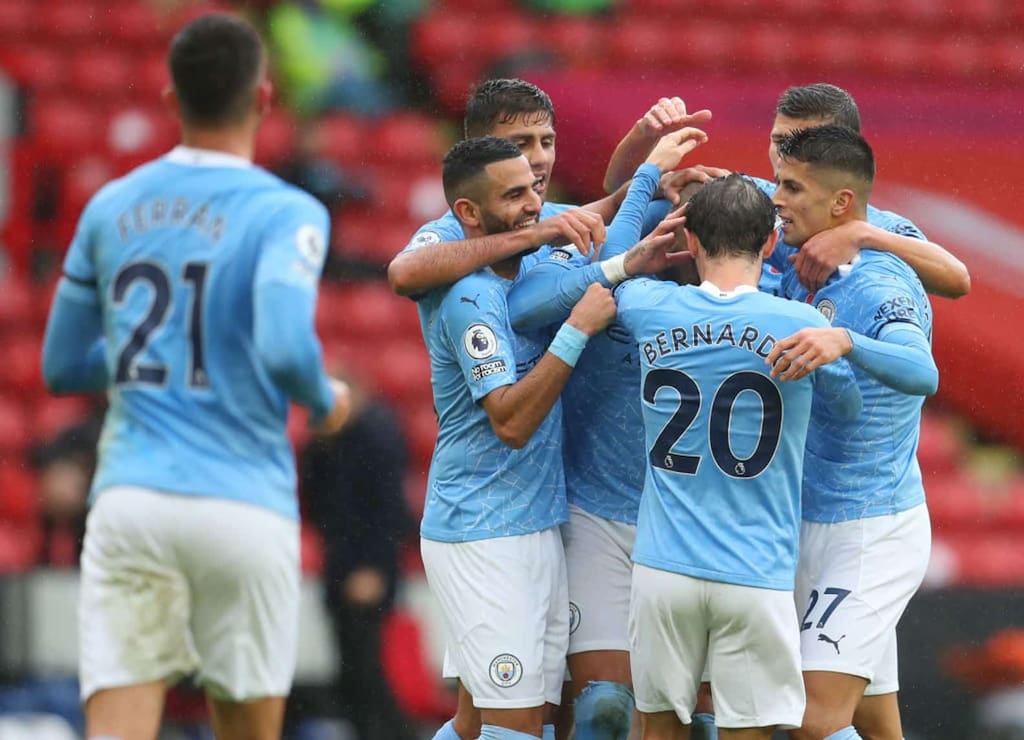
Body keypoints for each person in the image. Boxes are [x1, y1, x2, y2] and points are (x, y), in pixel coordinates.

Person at [39, 13, 350, 740]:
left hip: (132, 498)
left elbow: (60, 366)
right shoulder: (287, 211)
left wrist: (145, 369)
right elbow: (282, 344)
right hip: (242, 502)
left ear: (171, 99)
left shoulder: (110, 205)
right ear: (264, 98)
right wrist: (322, 397)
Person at [613, 173, 862, 740]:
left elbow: (612, 271)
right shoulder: (802, 326)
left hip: (662, 567)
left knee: (655, 729)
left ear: (692, 241)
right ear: (771, 245)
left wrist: (645, 195)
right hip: (755, 571)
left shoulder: (646, 305)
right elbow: (846, 410)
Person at [504, 127, 711, 740]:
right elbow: (534, 299)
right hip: (597, 514)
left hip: (692, 525)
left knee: (695, 723)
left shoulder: (751, 298)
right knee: (602, 712)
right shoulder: (617, 271)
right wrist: (645, 171)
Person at [420, 135, 617, 740]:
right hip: (482, 530)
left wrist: (648, 175)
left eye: (535, 188)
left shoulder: (529, 270)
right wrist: (576, 331)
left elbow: (612, 231)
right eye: (515, 195)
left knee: (510, 717)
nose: (535, 204)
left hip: (534, 523)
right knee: (515, 724)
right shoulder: (471, 295)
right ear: (469, 215)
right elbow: (509, 422)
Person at [764, 125, 938, 740]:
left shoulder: (879, 282)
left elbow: (923, 371)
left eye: (790, 186)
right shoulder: (800, 251)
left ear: (841, 202)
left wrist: (845, 339)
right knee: (871, 721)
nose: (775, 198)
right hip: (809, 517)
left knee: (813, 721)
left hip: (868, 533)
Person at [602, 86, 971, 301]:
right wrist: (644, 135)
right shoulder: (748, 197)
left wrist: (859, 235)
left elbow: (957, 280)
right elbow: (616, 189)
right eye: (778, 141)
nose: (784, 158)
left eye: (802, 144)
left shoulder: (879, 227)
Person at [386, 78, 712, 299]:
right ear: (480, 150)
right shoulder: (455, 229)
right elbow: (403, 274)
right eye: (520, 144)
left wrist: (645, 138)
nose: (539, 158)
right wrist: (533, 236)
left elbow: (616, 197)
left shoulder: (554, 215)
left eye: (547, 142)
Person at [301, 367, 419, 740]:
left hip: (368, 567)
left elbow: (388, 510)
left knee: (368, 674)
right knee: (351, 674)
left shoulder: (377, 434)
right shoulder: (327, 440)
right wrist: (320, 444)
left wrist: (374, 569)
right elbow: (315, 502)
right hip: (338, 564)